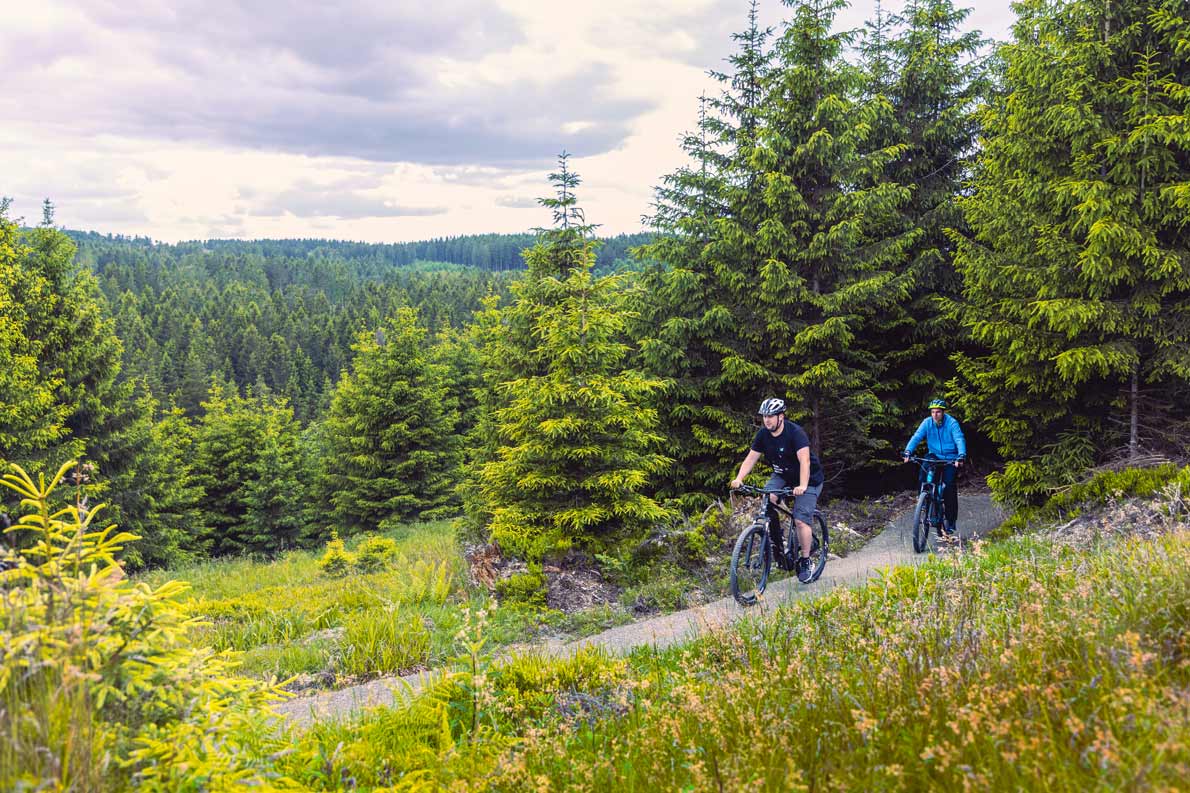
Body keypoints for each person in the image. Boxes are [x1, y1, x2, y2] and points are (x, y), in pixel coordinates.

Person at [730, 397, 825, 584]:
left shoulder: (795, 433)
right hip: (782, 475)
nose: (767, 420)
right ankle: (778, 544)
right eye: (764, 416)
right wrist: (739, 478)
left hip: (809, 478)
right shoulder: (763, 435)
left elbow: (805, 461)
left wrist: (802, 486)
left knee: (800, 519)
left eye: (771, 416)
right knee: (768, 499)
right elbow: (751, 458)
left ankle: (806, 560)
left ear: (781, 416)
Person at [902, 397, 967, 536]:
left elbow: (959, 439)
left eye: (938, 412)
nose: (935, 415)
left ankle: (950, 521)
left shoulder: (952, 423)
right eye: (932, 412)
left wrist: (961, 455)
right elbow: (916, 437)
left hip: (951, 458)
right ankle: (923, 501)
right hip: (934, 455)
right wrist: (908, 451)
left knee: (949, 486)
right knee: (924, 471)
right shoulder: (927, 423)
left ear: (943, 412)